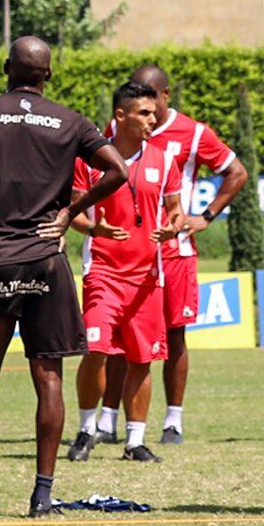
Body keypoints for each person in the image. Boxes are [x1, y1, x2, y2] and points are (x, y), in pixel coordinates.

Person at [0, 37, 129, 517]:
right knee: (50, 379)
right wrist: (70, 210)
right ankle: (42, 496)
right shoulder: (69, 121)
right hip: (46, 263)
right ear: (49, 74)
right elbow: (118, 170)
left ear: (5, 68)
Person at [119, 63, 248, 446]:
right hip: (129, 253)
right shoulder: (120, 128)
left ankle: (173, 419)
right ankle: (110, 422)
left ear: (166, 95)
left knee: (175, 335)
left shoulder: (193, 133)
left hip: (175, 251)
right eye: (141, 99)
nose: (149, 108)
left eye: (154, 97)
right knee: (124, 338)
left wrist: (205, 216)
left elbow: (237, 172)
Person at [65, 81, 186, 463]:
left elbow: (176, 210)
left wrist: (174, 226)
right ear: (121, 116)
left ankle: (135, 441)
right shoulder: (89, 160)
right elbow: (74, 213)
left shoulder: (165, 160)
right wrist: (94, 229)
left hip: (148, 277)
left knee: (141, 358)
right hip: (102, 270)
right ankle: (86, 431)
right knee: (97, 349)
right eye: (145, 113)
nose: (154, 118)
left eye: (155, 112)